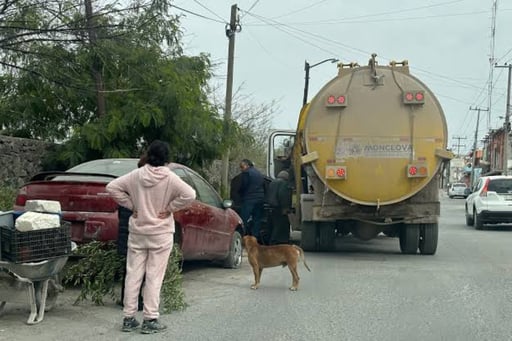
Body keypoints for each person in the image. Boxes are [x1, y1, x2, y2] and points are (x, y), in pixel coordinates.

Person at [106, 140, 196, 334]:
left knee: (133, 274)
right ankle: (150, 318)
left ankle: (129, 317)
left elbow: (112, 187)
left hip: (138, 231)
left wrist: (132, 206)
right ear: (167, 158)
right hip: (161, 233)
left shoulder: (136, 175)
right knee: (154, 276)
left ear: (148, 154)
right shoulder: (170, 178)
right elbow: (190, 194)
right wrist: (170, 208)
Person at [238, 159, 265, 242]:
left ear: (247, 165)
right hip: (260, 199)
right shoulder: (259, 173)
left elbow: (244, 186)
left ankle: (242, 237)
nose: (241, 169)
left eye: (242, 167)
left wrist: (240, 194)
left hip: (249, 199)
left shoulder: (246, 173)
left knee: (243, 219)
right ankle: (254, 238)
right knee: (257, 219)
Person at [266, 170, 292, 244]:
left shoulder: (272, 182)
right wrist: (285, 208)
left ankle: (271, 240)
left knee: (272, 225)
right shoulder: (284, 184)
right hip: (279, 207)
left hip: (270, 206)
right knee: (281, 225)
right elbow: (283, 196)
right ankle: (278, 241)